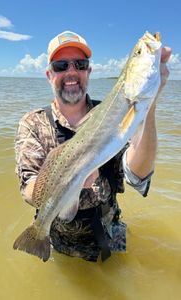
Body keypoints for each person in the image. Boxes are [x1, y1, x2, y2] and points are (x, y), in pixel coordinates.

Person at [15, 31, 171, 262]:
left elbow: (137, 175)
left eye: (80, 64)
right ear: (49, 75)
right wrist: (63, 183)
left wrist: (151, 104)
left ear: (88, 71)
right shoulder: (32, 123)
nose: (71, 72)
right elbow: (27, 185)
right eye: (61, 65)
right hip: (61, 246)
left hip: (112, 238)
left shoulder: (113, 112)